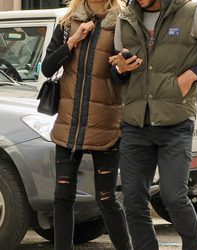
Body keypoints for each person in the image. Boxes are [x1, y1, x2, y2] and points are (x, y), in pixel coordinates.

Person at [109, 0, 197, 249]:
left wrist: (193, 75)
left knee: (174, 197)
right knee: (133, 200)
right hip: (136, 124)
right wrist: (120, 69)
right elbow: (118, 72)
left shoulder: (192, 13)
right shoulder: (125, 19)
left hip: (175, 122)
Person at [41, 0, 131, 249]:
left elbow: (121, 78)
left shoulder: (122, 20)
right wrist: (72, 42)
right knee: (62, 197)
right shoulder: (68, 22)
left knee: (106, 198)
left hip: (106, 123)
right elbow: (47, 68)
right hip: (68, 123)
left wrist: (122, 69)